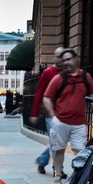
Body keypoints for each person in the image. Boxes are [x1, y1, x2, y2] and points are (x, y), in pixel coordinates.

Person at [43, 48, 93, 184]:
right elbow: (47, 98)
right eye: (63, 61)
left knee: (80, 151)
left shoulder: (85, 77)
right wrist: (53, 118)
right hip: (60, 121)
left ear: (76, 59)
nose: (66, 63)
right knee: (59, 149)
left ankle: (80, 176)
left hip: (79, 123)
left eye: (68, 59)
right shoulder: (59, 78)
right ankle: (58, 174)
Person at [30, 46, 66, 176]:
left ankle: (43, 159)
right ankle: (58, 169)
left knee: (58, 141)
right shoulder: (48, 73)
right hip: (51, 114)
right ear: (54, 58)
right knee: (56, 140)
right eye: (57, 56)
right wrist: (34, 113)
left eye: (62, 56)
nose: (60, 59)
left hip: (65, 114)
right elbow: (40, 93)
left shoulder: (69, 73)